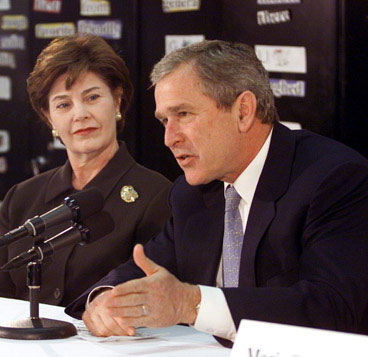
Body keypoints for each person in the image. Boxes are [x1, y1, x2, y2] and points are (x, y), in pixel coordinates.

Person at [65, 40, 368, 344]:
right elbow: (151, 269)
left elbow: (332, 309)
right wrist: (106, 298)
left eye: (184, 114)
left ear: (243, 111)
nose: (170, 138)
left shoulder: (334, 179)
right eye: (164, 121)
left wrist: (191, 304)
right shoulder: (192, 193)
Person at [0, 33, 172, 306]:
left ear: (117, 102)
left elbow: (155, 301)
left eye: (92, 97)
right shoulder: (21, 198)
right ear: (49, 117)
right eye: (63, 104)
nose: (80, 114)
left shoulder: (156, 196)